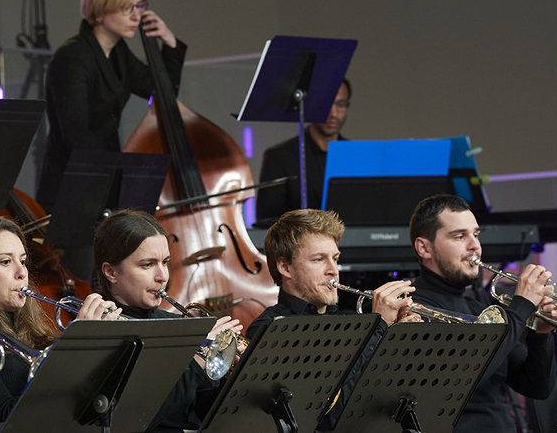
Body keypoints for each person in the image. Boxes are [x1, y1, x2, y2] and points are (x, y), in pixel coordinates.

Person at [0, 216, 118, 429]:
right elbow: (4, 418)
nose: (22, 273)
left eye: (23, 261)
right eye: (6, 262)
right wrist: (76, 345)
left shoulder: (31, 331)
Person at [247, 208, 418, 431]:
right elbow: (325, 416)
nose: (333, 270)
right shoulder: (271, 327)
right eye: (319, 259)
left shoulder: (352, 323)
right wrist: (379, 328)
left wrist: (399, 340)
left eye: (335, 259)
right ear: (285, 267)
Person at [36, 0, 186, 212]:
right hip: (72, 188)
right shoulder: (72, 57)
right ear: (101, 9)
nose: (136, 16)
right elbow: (75, 133)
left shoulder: (119, 53)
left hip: (104, 180)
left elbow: (159, 90)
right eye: (127, 8)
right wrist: (121, 172)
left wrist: (170, 43)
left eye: (139, 6)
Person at [409, 194, 557, 433]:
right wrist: (521, 306)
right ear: (424, 248)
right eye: (459, 236)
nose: (475, 246)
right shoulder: (413, 307)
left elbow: (537, 388)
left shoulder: (478, 309)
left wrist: (540, 335)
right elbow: (463, 377)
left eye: (476, 235)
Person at [92, 209, 240, 432]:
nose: (163, 276)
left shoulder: (177, 325)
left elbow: (208, 413)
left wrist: (233, 372)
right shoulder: (99, 332)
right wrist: (199, 359)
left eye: (165, 262)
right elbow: (133, 418)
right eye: (147, 265)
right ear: (111, 272)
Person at [255, 79, 351, 228]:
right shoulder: (279, 156)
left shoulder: (356, 155)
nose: (333, 113)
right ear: (311, 106)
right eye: (325, 105)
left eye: (340, 104)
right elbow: (267, 221)